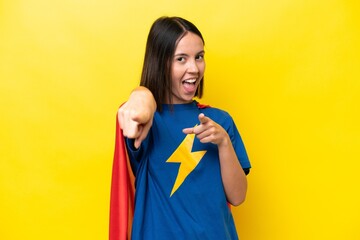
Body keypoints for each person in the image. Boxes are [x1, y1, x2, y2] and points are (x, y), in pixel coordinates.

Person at [114, 16, 251, 239]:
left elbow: (238, 197)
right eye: (181, 59)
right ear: (160, 63)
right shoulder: (145, 120)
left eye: (199, 57)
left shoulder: (220, 121)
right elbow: (137, 109)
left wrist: (224, 142)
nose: (194, 68)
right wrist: (141, 93)